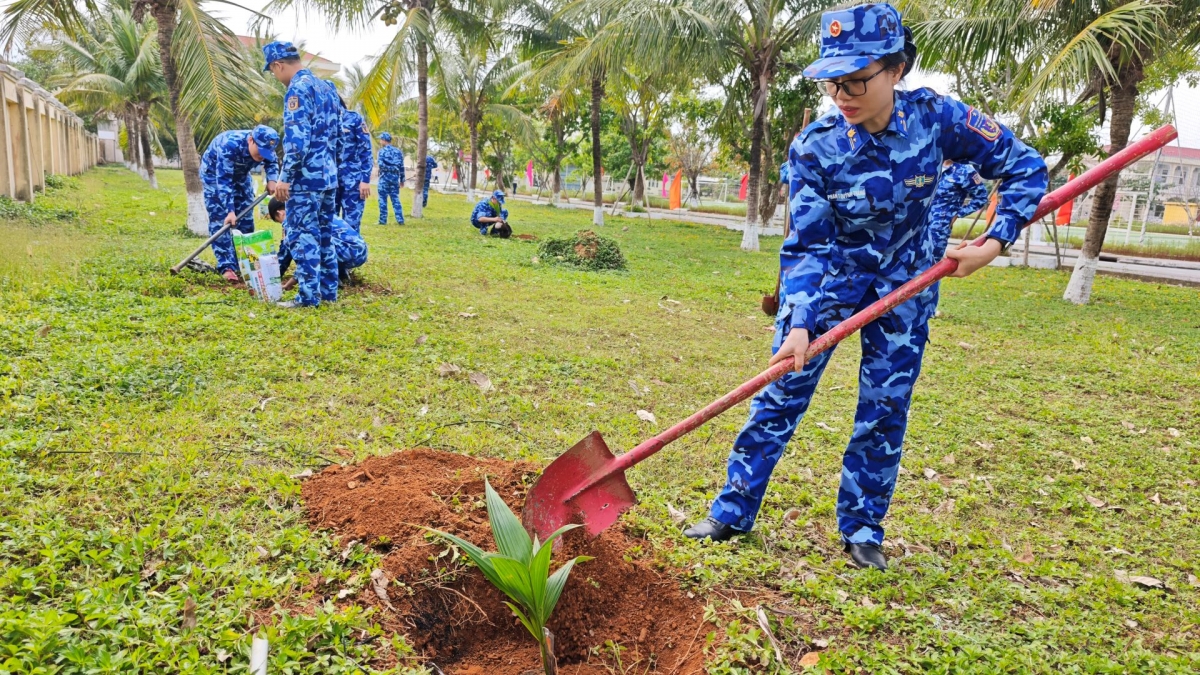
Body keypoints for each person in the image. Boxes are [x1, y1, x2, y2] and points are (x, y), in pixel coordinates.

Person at [682, 2, 1047, 572]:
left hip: (909, 286)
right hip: (830, 286)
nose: (843, 95)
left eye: (857, 80)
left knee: (884, 408)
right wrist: (799, 320)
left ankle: (861, 529)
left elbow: (1025, 167)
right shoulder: (815, 148)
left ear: (897, 69)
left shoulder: (938, 119)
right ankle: (732, 511)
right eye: (834, 83)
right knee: (780, 394)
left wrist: (995, 242)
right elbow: (806, 244)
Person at [263, 41, 341, 309]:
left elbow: (297, 140)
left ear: (278, 65)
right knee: (324, 236)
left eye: (273, 72)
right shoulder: (327, 88)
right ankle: (328, 292)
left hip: (306, 179)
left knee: (303, 236)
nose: (276, 77)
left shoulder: (297, 89)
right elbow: (336, 135)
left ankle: (308, 298)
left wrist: (285, 176)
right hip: (329, 177)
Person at [199, 125, 280, 282]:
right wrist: (229, 210)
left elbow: (272, 162)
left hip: (241, 176)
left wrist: (272, 179)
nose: (263, 156)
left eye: (266, 153)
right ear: (251, 140)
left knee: (246, 219)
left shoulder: (266, 144)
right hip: (214, 177)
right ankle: (227, 266)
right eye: (260, 152)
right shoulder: (229, 145)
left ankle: (243, 262)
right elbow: (223, 180)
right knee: (221, 218)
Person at [269, 198, 367, 284]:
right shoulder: (312, 209)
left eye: (279, 221)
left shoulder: (293, 219)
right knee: (320, 240)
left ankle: (328, 280)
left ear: (280, 213)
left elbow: (287, 253)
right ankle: (340, 274)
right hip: (360, 251)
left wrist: (274, 277)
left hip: (347, 252)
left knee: (300, 243)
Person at [927, 160, 990, 258]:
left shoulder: (965, 171)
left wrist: (958, 214)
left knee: (931, 263)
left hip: (939, 227)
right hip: (916, 225)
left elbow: (981, 197)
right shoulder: (929, 164)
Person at [337, 103, 373, 233]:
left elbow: (366, 150)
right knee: (328, 224)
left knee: (351, 225)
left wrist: (365, 180)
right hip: (329, 180)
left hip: (353, 180)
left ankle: (352, 253)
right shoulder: (321, 118)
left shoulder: (354, 118)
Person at [377, 132, 405, 225]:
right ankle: (400, 219)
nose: (380, 141)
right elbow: (401, 167)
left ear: (384, 140)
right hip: (394, 178)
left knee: (382, 199)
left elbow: (380, 165)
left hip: (384, 177)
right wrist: (402, 180)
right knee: (395, 199)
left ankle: (382, 220)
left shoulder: (381, 151)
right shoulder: (398, 152)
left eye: (381, 139)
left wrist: (387, 169)